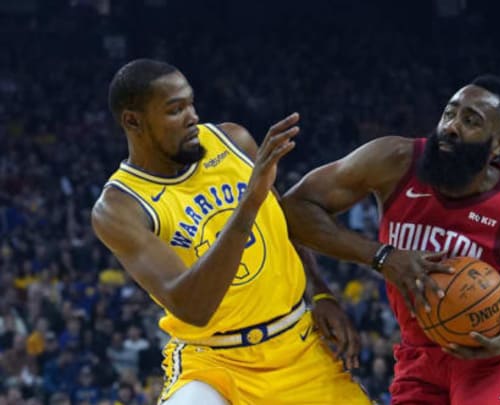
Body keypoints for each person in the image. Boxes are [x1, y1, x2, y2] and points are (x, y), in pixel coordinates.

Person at [91, 59, 370, 405]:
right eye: (175, 110)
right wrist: (248, 203)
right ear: (133, 121)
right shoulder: (120, 207)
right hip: (213, 362)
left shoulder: (233, 140)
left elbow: (284, 231)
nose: (192, 116)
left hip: (298, 344)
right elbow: (192, 307)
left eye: (190, 103)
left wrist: (322, 293)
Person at [282, 76, 500, 404]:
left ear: (498, 145)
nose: (451, 126)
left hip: (492, 362)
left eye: (470, 121)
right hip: (418, 359)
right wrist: (377, 259)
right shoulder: (394, 161)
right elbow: (294, 208)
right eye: (449, 113)